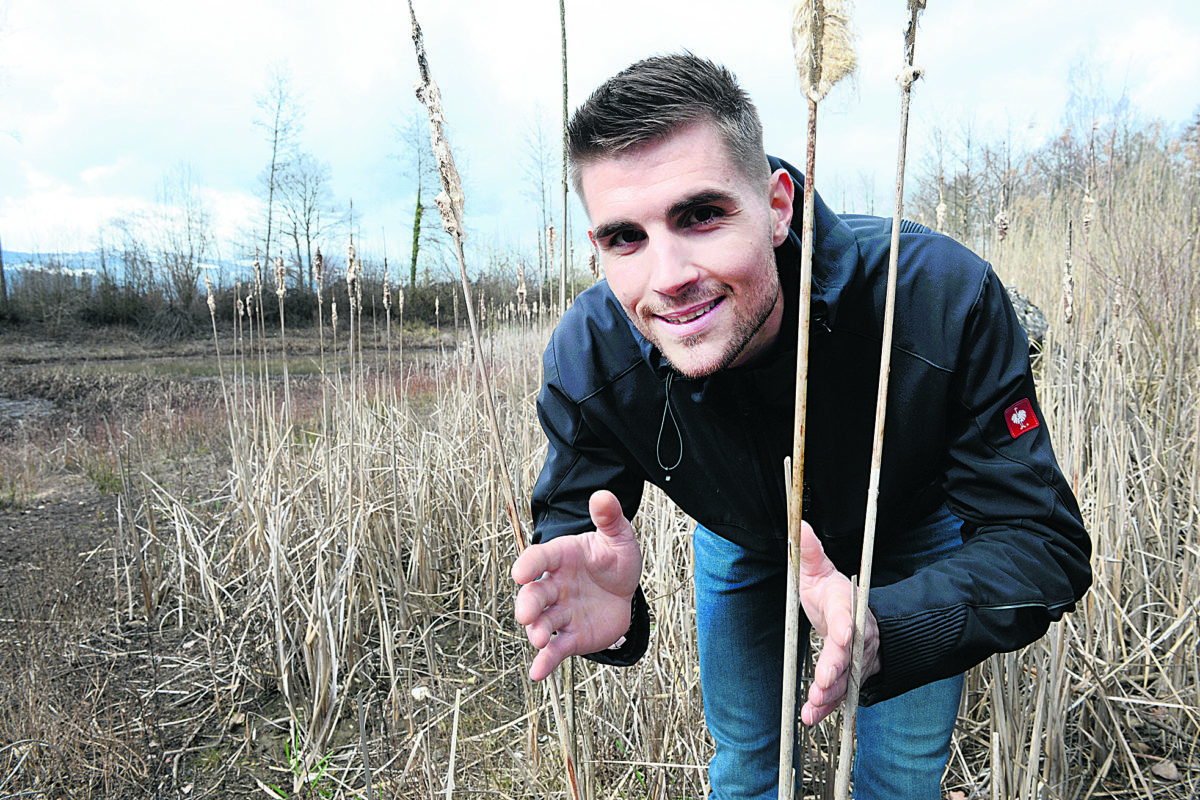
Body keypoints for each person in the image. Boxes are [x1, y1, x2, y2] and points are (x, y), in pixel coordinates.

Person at [511, 53, 1091, 800]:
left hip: (911, 535)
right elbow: (573, 540)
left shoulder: (939, 300)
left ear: (778, 205)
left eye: (701, 215)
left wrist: (887, 623)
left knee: (901, 777)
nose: (669, 277)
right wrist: (608, 621)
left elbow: (1043, 544)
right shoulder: (590, 358)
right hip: (743, 537)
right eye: (627, 237)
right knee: (747, 763)